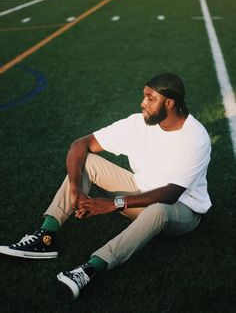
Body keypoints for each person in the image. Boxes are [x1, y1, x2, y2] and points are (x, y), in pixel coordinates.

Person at [0, 72, 212, 300]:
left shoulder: (195, 137)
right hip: (140, 189)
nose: (143, 103)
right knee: (88, 162)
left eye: (150, 99)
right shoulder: (137, 124)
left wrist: (114, 204)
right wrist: (75, 189)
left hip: (181, 211)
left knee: (158, 210)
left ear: (169, 103)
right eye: (144, 96)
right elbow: (80, 145)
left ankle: (90, 268)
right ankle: (45, 236)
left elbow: (171, 193)